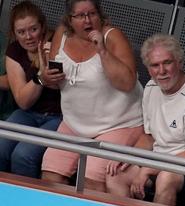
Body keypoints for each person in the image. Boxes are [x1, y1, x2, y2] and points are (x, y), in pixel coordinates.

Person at [104, 34, 185, 206]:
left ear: (179, 62)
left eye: (167, 63)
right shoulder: (151, 87)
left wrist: (148, 169)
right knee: (116, 174)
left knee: (165, 177)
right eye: (155, 65)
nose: (161, 71)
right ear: (148, 69)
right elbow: (149, 137)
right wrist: (131, 156)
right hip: (161, 160)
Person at [38, 0, 143, 193]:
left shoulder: (113, 36)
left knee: (92, 177)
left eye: (92, 14)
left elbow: (127, 83)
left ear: (100, 15)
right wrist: (44, 78)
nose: (87, 20)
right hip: (74, 124)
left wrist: (102, 51)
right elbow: (54, 80)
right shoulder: (62, 34)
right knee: (51, 172)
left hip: (117, 124)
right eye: (80, 16)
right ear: (70, 20)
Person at [1, 2, 61, 179]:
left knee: (23, 155)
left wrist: (47, 63)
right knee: (1, 146)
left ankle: (23, 203)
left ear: (42, 26)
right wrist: (40, 76)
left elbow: (59, 84)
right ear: (14, 33)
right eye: (21, 32)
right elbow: (23, 101)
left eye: (33, 29)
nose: (28, 37)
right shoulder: (15, 50)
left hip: (59, 116)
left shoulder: (57, 44)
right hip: (29, 113)